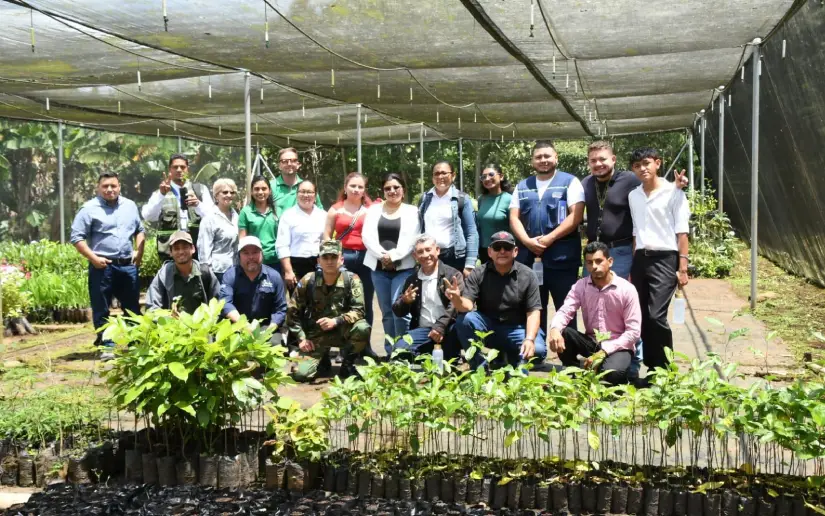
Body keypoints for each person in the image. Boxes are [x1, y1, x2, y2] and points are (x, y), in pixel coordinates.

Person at [509, 141, 585, 334]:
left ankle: (569, 349)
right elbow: (514, 217)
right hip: (529, 259)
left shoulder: (570, 182)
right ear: (532, 161)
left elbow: (575, 216)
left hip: (562, 260)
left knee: (566, 309)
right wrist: (527, 241)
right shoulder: (522, 186)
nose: (543, 160)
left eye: (547, 156)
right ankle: (536, 348)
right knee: (533, 307)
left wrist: (549, 238)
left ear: (556, 158)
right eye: (538, 157)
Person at [628, 147, 690, 370]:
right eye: (637, 166)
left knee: (656, 315)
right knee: (642, 315)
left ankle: (665, 369)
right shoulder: (633, 196)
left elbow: (682, 232)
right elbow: (636, 231)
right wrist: (634, 265)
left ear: (657, 163)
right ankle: (652, 368)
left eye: (646, 163)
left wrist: (683, 268)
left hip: (665, 259)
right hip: (641, 259)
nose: (642, 169)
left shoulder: (674, 192)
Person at [70, 172, 144, 360]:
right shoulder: (88, 209)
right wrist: (94, 258)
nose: (110, 189)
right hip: (102, 267)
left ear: (119, 187)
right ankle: (106, 346)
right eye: (105, 186)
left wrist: (139, 252)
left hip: (127, 266)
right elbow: (77, 238)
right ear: (98, 188)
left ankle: (136, 344)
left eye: (113, 186)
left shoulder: (130, 206)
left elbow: (140, 230)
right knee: (102, 308)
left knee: (132, 308)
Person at [450, 231, 547, 370]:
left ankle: (512, 356)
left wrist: (529, 339)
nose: (502, 251)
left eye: (507, 247)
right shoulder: (478, 273)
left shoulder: (528, 275)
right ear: (490, 252)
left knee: (538, 350)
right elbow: (467, 305)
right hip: (488, 327)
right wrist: (456, 299)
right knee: (464, 320)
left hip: (517, 328)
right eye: (497, 247)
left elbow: (533, 312)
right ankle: (479, 367)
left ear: (515, 251)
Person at [547, 242, 641, 385]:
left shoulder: (627, 289)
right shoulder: (581, 286)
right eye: (590, 262)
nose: (594, 266)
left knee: (613, 374)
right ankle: (576, 371)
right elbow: (565, 310)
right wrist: (554, 329)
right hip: (592, 342)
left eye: (599, 261)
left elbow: (633, 332)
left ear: (610, 262)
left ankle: (604, 371)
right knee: (564, 333)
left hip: (618, 346)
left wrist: (604, 351)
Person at [286, 240, 371, 382]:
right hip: (316, 334)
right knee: (300, 375)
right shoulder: (309, 280)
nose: (330, 261)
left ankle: (347, 364)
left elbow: (359, 310)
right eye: (325, 257)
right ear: (319, 261)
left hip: (343, 330)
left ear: (341, 259)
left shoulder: (352, 279)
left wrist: (336, 321)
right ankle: (322, 361)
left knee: (362, 328)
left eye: (334, 257)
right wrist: (301, 338)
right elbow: (292, 312)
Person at [362, 173, 421, 352]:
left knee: (400, 312)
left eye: (396, 187)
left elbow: (413, 238)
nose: (392, 191)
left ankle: (403, 352)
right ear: (383, 191)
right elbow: (367, 236)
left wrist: (393, 257)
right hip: (378, 269)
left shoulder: (412, 211)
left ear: (403, 190)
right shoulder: (374, 210)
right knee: (386, 312)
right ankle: (390, 351)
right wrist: (382, 256)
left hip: (403, 268)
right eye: (388, 188)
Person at [391, 235, 463, 360]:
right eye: (420, 252)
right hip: (424, 331)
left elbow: (454, 307)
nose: (425, 255)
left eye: (428, 250)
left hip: (448, 327)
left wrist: (440, 327)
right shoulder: (412, 280)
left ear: (437, 250)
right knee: (399, 350)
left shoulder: (453, 275)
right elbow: (398, 311)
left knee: (449, 363)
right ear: (415, 256)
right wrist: (404, 301)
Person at [323, 172, 375, 329]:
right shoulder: (335, 209)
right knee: (342, 298)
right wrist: (333, 257)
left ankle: (364, 339)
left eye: (360, 187)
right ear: (345, 187)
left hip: (366, 258)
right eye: (353, 186)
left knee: (365, 300)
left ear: (364, 190)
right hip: (343, 256)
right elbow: (327, 235)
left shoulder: (371, 210)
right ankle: (343, 340)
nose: (356, 189)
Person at [141, 154, 213, 262]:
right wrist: (161, 195)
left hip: (196, 251)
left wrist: (198, 204)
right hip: (170, 253)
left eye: (182, 167)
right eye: (175, 167)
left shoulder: (200, 190)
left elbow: (213, 217)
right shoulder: (160, 192)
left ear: (187, 169)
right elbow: (148, 216)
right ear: (169, 169)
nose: (179, 170)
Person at [418, 161, 478, 276]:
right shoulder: (425, 198)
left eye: (444, 173)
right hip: (429, 257)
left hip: (453, 257)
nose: (440, 176)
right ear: (432, 177)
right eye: (436, 173)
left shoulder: (462, 199)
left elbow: (471, 232)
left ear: (453, 175)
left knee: (453, 287)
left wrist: (470, 264)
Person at [220, 236, 288, 332]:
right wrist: (244, 325)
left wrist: (269, 330)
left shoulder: (274, 277)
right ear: (239, 256)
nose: (251, 257)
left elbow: (280, 309)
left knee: (276, 340)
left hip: (266, 327)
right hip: (237, 325)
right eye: (246, 253)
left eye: (255, 252)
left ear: (262, 254)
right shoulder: (230, 276)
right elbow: (225, 303)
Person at [146, 231, 220, 314]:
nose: (181, 252)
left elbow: (218, 302)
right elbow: (152, 306)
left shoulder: (205, 272)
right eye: (176, 248)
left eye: (185, 247)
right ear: (170, 252)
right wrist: (167, 317)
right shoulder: (164, 275)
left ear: (193, 249)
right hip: (172, 321)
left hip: (202, 321)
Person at [277, 180, 327, 291]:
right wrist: (288, 271)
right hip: (296, 265)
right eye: (302, 191)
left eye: (309, 192)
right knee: (298, 300)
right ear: (297, 194)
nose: (306, 195)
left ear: (315, 195)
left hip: (318, 264)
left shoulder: (323, 215)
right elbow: (282, 246)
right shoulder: (288, 215)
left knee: (319, 298)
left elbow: (326, 242)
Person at [197, 178, 239, 283]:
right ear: (216, 196)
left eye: (232, 192)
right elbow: (204, 248)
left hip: (235, 269)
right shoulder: (209, 218)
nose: (229, 195)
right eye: (225, 192)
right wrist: (208, 273)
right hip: (217, 272)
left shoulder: (236, 216)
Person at [238, 176, 281, 271]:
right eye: (257, 189)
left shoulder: (278, 211)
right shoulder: (245, 212)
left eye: (264, 189)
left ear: (270, 191)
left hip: (276, 261)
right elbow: (242, 240)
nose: (260, 192)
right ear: (252, 192)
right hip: (254, 261)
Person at [476, 163, 513, 264]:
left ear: (501, 177)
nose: (487, 179)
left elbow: (514, 228)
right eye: (483, 177)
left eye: (491, 175)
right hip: (485, 251)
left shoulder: (510, 199)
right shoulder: (481, 199)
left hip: (503, 250)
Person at [269, 148, 322, 217]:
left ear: (298, 164)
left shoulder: (308, 187)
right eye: (285, 161)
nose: (289, 164)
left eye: (293, 160)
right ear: (279, 166)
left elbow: (320, 212)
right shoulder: (270, 187)